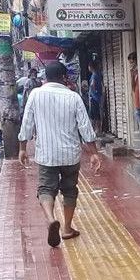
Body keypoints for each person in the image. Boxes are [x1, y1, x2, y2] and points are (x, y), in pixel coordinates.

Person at [18, 61, 101, 247]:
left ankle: (50, 219)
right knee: (70, 190)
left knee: (46, 189)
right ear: (64, 77)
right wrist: (94, 153)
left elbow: (27, 123)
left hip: (46, 153)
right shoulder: (73, 97)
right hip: (70, 154)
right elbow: (85, 127)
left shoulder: (35, 95)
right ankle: (67, 228)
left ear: (45, 77)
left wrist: (22, 148)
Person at [88, 62, 103, 133]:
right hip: (97, 97)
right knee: (95, 114)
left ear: (91, 67)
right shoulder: (98, 74)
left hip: (94, 97)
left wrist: (93, 90)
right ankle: (97, 129)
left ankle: (97, 129)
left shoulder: (94, 75)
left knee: (95, 114)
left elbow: (92, 84)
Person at [128, 52, 140, 125]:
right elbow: (133, 88)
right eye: (130, 63)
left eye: (132, 62)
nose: (132, 65)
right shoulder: (134, 73)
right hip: (137, 100)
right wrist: (132, 75)